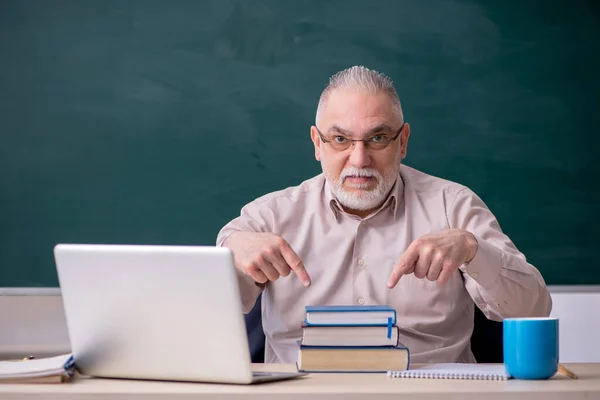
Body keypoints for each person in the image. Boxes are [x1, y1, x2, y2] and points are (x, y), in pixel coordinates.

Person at [216, 66, 552, 364]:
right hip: (302, 392)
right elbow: (196, 322)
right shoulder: (267, 216)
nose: (359, 159)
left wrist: (472, 248)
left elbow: (533, 309)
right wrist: (231, 252)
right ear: (317, 143)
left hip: (430, 393)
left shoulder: (454, 206)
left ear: (402, 141)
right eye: (340, 139)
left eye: (377, 138)